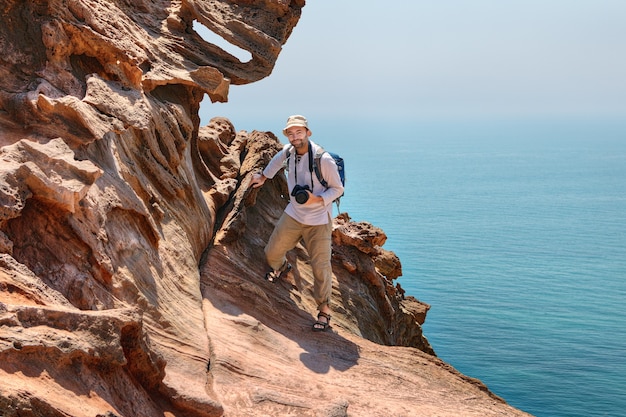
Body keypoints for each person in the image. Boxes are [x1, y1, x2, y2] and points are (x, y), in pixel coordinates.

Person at [250, 115, 344, 332]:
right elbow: (275, 162)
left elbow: (338, 189)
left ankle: (324, 310)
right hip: (294, 214)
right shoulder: (288, 152)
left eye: (298, 132)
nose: (295, 137)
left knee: (320, 266)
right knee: (271, 252)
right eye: (290, 133)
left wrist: (317, 199)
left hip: (319, 220)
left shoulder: (324, 159)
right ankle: (282, 267)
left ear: (308, 133)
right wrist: (263, 177)